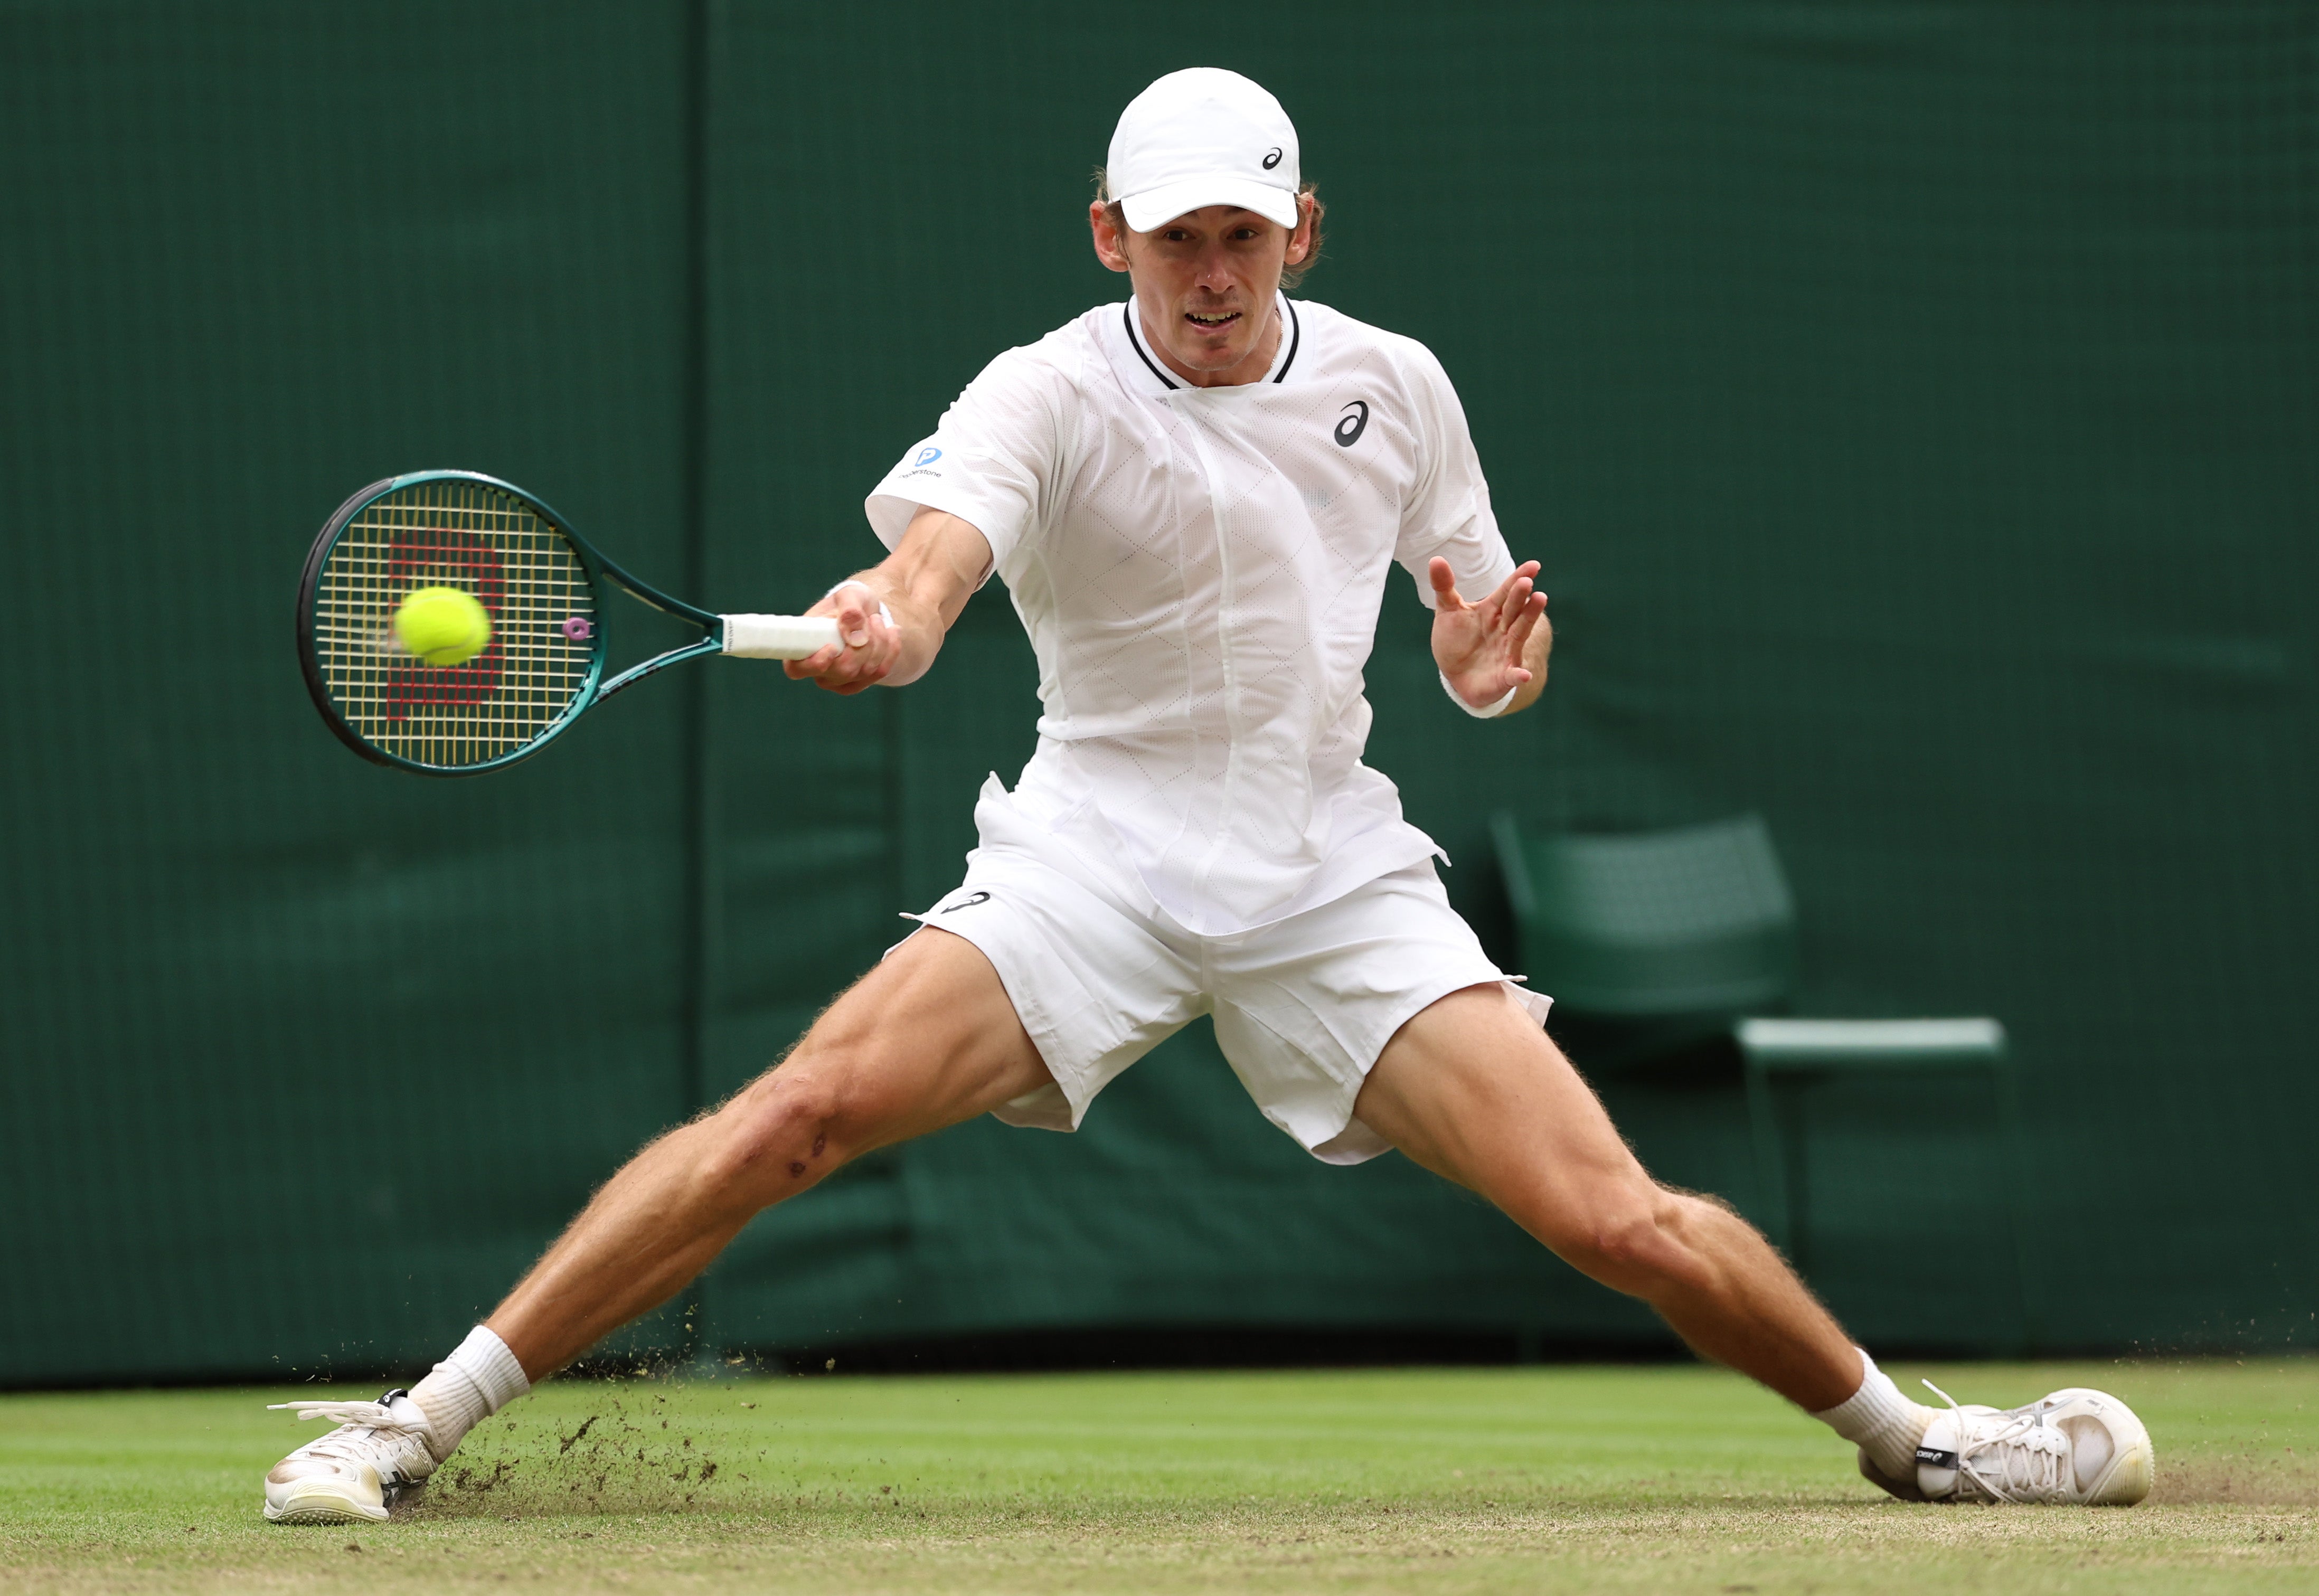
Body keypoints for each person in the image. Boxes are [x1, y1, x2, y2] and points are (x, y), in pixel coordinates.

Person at [262, 67, 2152, 1523]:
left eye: (1244, 234)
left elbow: (1466, 624)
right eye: (1177, 239)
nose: (1214, 271)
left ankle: (1927, 1448)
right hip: (1097, 856)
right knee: (805, 1109)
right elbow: (934, 574)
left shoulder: (1401, 388)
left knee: (1618, 1222)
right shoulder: (1042, 395)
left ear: (1302, 227)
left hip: (1333, 871)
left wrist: (1487, 668)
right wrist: (891, 614)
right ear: (1110, 235)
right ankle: (413, 1425)